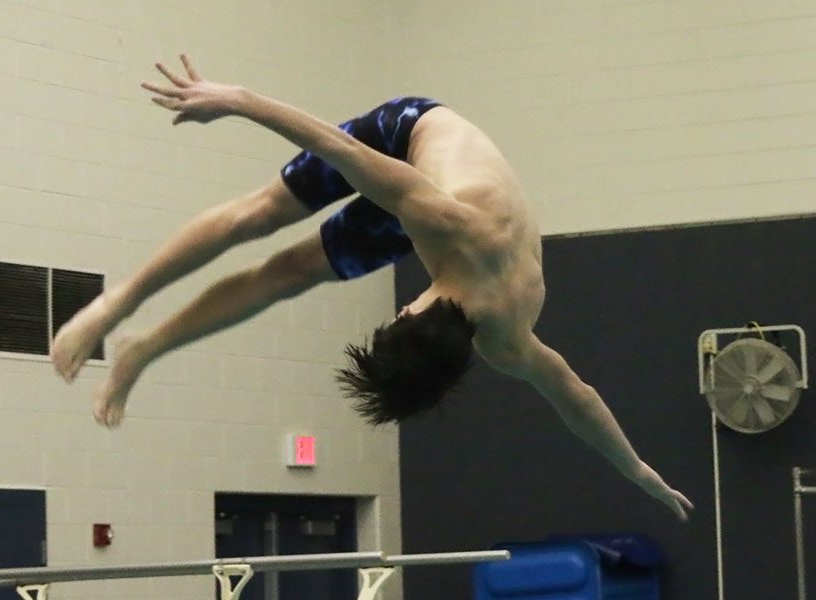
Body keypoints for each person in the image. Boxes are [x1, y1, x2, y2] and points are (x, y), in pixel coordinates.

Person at [51, 55, 694, 521]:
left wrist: (638, 470)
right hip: (407, 139)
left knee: (287, 276)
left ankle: (144, 347)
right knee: (260, 215)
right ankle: (116, 304)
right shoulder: (443, 225)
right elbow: (332, 145)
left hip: (431, 210)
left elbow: (579, 400)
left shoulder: (506, 337)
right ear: (409, 310)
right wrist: (238, 100)